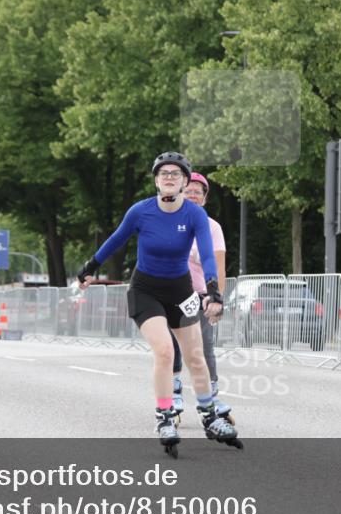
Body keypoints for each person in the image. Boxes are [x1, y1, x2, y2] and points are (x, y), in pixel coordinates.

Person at [77, 152, 241, 457]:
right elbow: (116, 239)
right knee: (165, 351)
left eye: (175, 174)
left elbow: (207, 254)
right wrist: (90, 266)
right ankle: (165, 416)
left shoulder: (194, 215)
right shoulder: (141, 211)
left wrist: (213, 292)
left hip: (181, 291)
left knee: (196, 357)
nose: (168, 177)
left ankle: (209, 416)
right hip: (146, 290)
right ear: (156, 180)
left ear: (184, 182)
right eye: (163, 173)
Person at [169, 172, 232, 422]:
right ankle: (173, 393)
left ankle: (211, 395)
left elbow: (219, 266)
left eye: (198, 192)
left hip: (201, 294)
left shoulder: (212, 227)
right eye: (189, 191)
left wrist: (217, 299)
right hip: (172, 292)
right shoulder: (168, 221)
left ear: (204, 199)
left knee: (204, 347)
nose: (193, 195)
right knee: (172, 345)